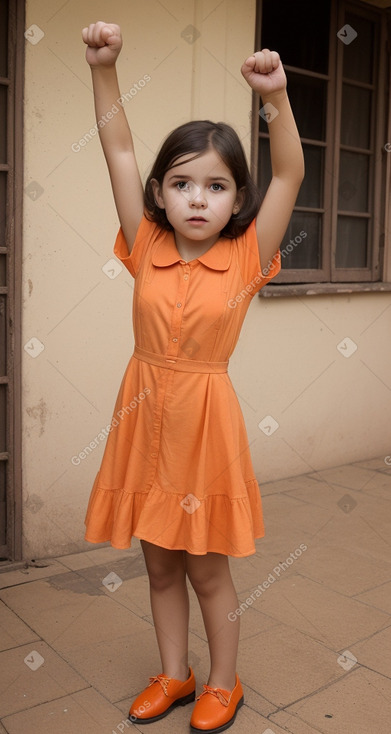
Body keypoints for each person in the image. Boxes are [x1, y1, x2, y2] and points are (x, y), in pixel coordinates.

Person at [82, 21, 304, 734]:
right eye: (181, 184)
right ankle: (173, 674)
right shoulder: (144, 242)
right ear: (160, 193)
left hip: (205, 425)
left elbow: (292, 173)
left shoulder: (247, 255)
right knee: (158, 567)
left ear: (236, 198)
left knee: (207, 569)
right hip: (143, 416)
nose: (198, 198)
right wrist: (104, 68)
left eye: (215, 185)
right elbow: (117, 144)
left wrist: (273, 99)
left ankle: (221, 683)